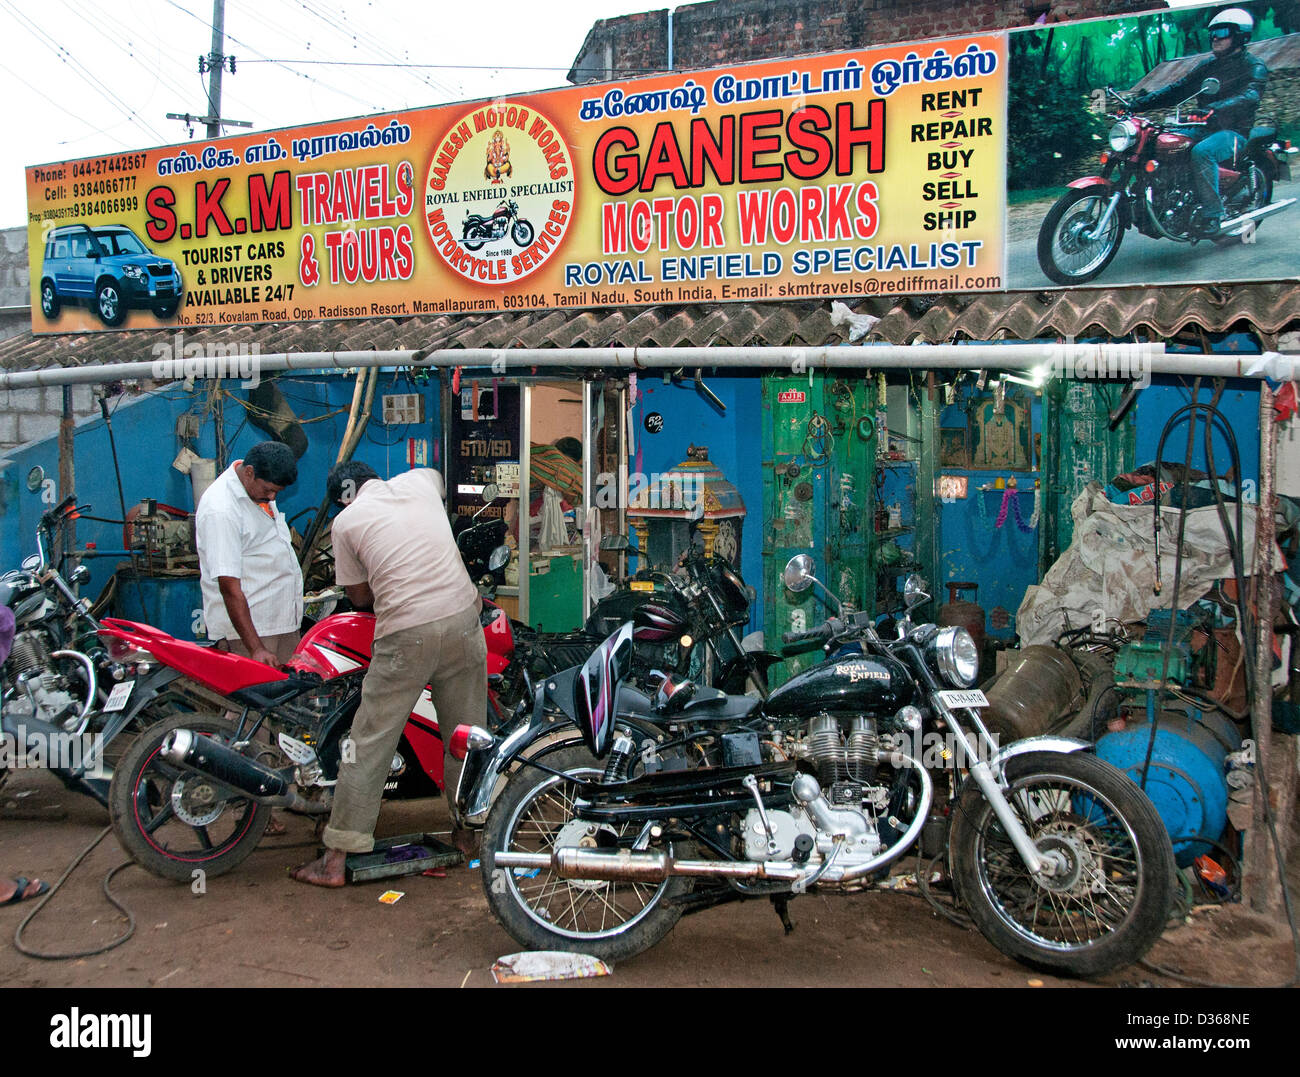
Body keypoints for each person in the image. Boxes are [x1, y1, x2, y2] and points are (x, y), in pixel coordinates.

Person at [291, 462, 487, 888]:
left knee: (370, 739)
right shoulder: (421, 479)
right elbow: (441, 489)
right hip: (464, 620)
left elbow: (359, 597)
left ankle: (337, 856)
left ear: (344, 496)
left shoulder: (346, 523)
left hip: (407, 634)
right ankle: (469, 833)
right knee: (467, 734)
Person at [1128, 8, 1268, 237]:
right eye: (1212, 33)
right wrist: (1137, 104)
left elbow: (1251, 96)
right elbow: (1176, 90)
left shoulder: (1254, 66)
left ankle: (1213, 215)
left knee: (1202, 152)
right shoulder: (1208, 66)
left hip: (1233, 131)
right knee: (1160, 142)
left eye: (1222, 32)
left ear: (1241, 36)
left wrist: (1215, 109)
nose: (1215, 37)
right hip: (1203, 127)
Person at [195, 441, 304, 666]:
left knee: (289, 695)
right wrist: (256, 648)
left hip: (278, 624)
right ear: (249, 472)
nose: (273, 497)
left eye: (277, 492)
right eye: (268, 490)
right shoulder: (222, 510)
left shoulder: (255, 492)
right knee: (260, 697)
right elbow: (229, 588)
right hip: (250, 634)